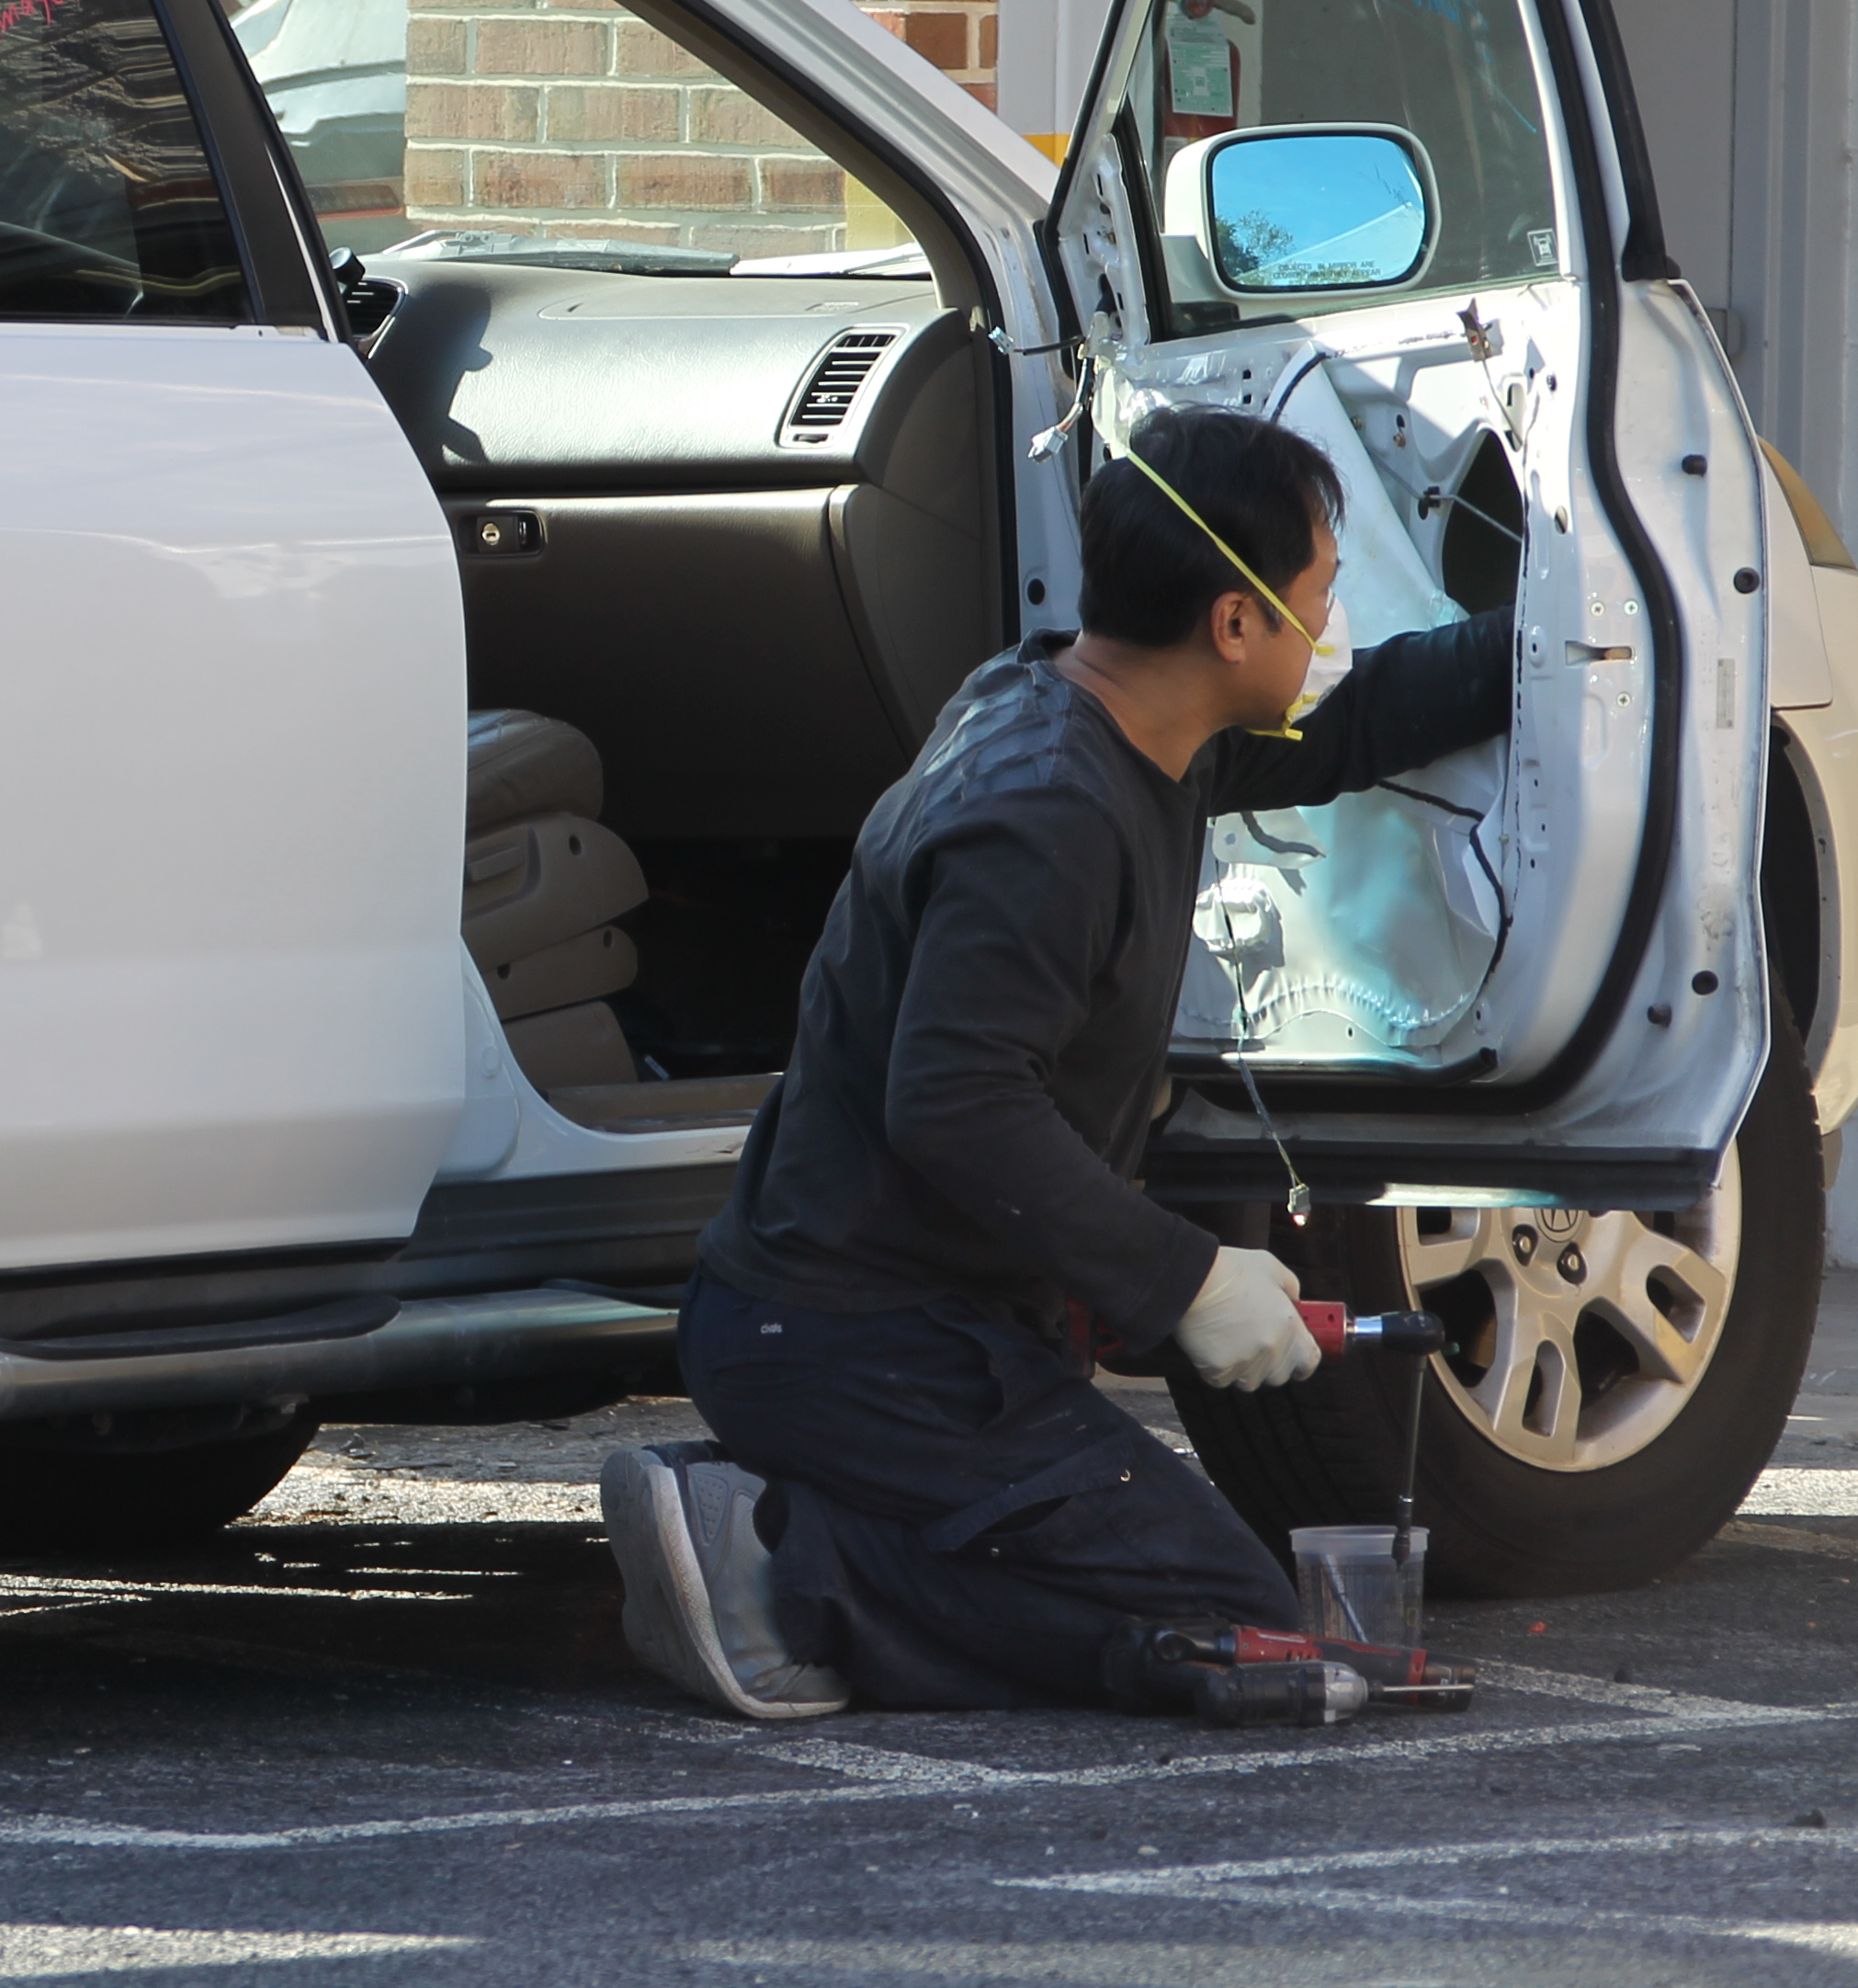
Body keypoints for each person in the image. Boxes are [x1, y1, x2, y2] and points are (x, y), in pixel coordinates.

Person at [603, 403, 1512, 1717]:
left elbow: (1352, 726)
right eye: (1321, 594)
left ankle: (819, 1533)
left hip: (908, 1327)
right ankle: (785, 1566)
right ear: (1234, 623)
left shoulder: (1109, 713)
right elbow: (955, 1105)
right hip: (851, 1342)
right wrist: (1187, 1279)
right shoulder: (1046, 816)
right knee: (1227, 1621)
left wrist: (1560, 648)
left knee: (1221, 1613)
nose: (1333, 626)